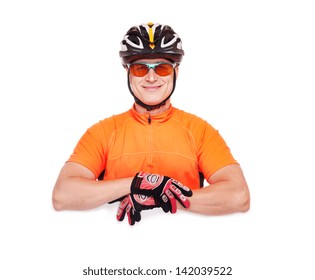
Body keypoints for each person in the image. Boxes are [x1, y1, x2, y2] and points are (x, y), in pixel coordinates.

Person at [52, 22, 250, 225]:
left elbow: (239, 195)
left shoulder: (200, 131)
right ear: (127, 72)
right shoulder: (102, 132)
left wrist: (163, 196)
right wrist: (138, 184)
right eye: (140, 68)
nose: (151, 77)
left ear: (176, 72)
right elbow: (62, 195)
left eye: (162, 68)